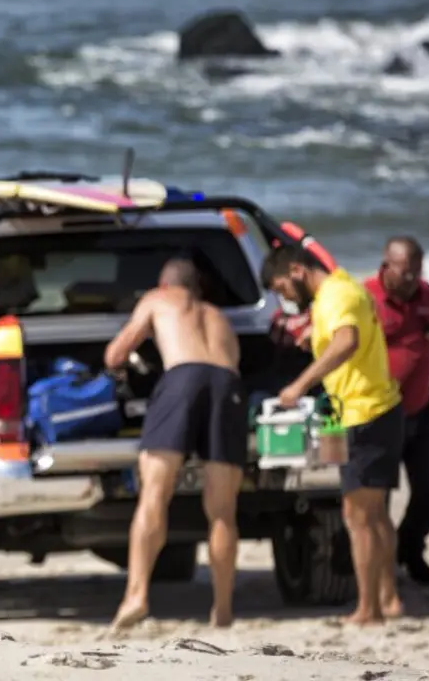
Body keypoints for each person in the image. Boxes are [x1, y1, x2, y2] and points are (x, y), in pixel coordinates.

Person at [262, 245, 405, 625]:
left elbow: (347, 342)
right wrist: (315, 342)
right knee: (374, 515)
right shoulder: (342, 289)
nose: (285, 298)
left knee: (357, 516)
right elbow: (343, 339)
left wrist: (298, 385)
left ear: (297, 270)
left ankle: (368, 609)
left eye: (283, 288)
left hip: (364, 413)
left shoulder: (338, 295)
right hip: (374, 410)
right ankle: (388, 599)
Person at [104, 258, 246, 630]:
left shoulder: (157, 300)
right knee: (222, 511)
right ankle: (224, 607)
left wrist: (124, 364)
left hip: (182, 378)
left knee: (155, 493)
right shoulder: (219, 316)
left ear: (164, 285)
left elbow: (115, 354)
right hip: (227, 386)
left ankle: (136, 595)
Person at [364, 236, 429, 585]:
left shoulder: (426, 294)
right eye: (405, 272)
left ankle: (410, 547)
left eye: (417, 272)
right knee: (379, 495)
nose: (412, 279)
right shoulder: (366, 297)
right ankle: (382, 568)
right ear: (386, 266)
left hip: (422, 408)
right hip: (381, 413)